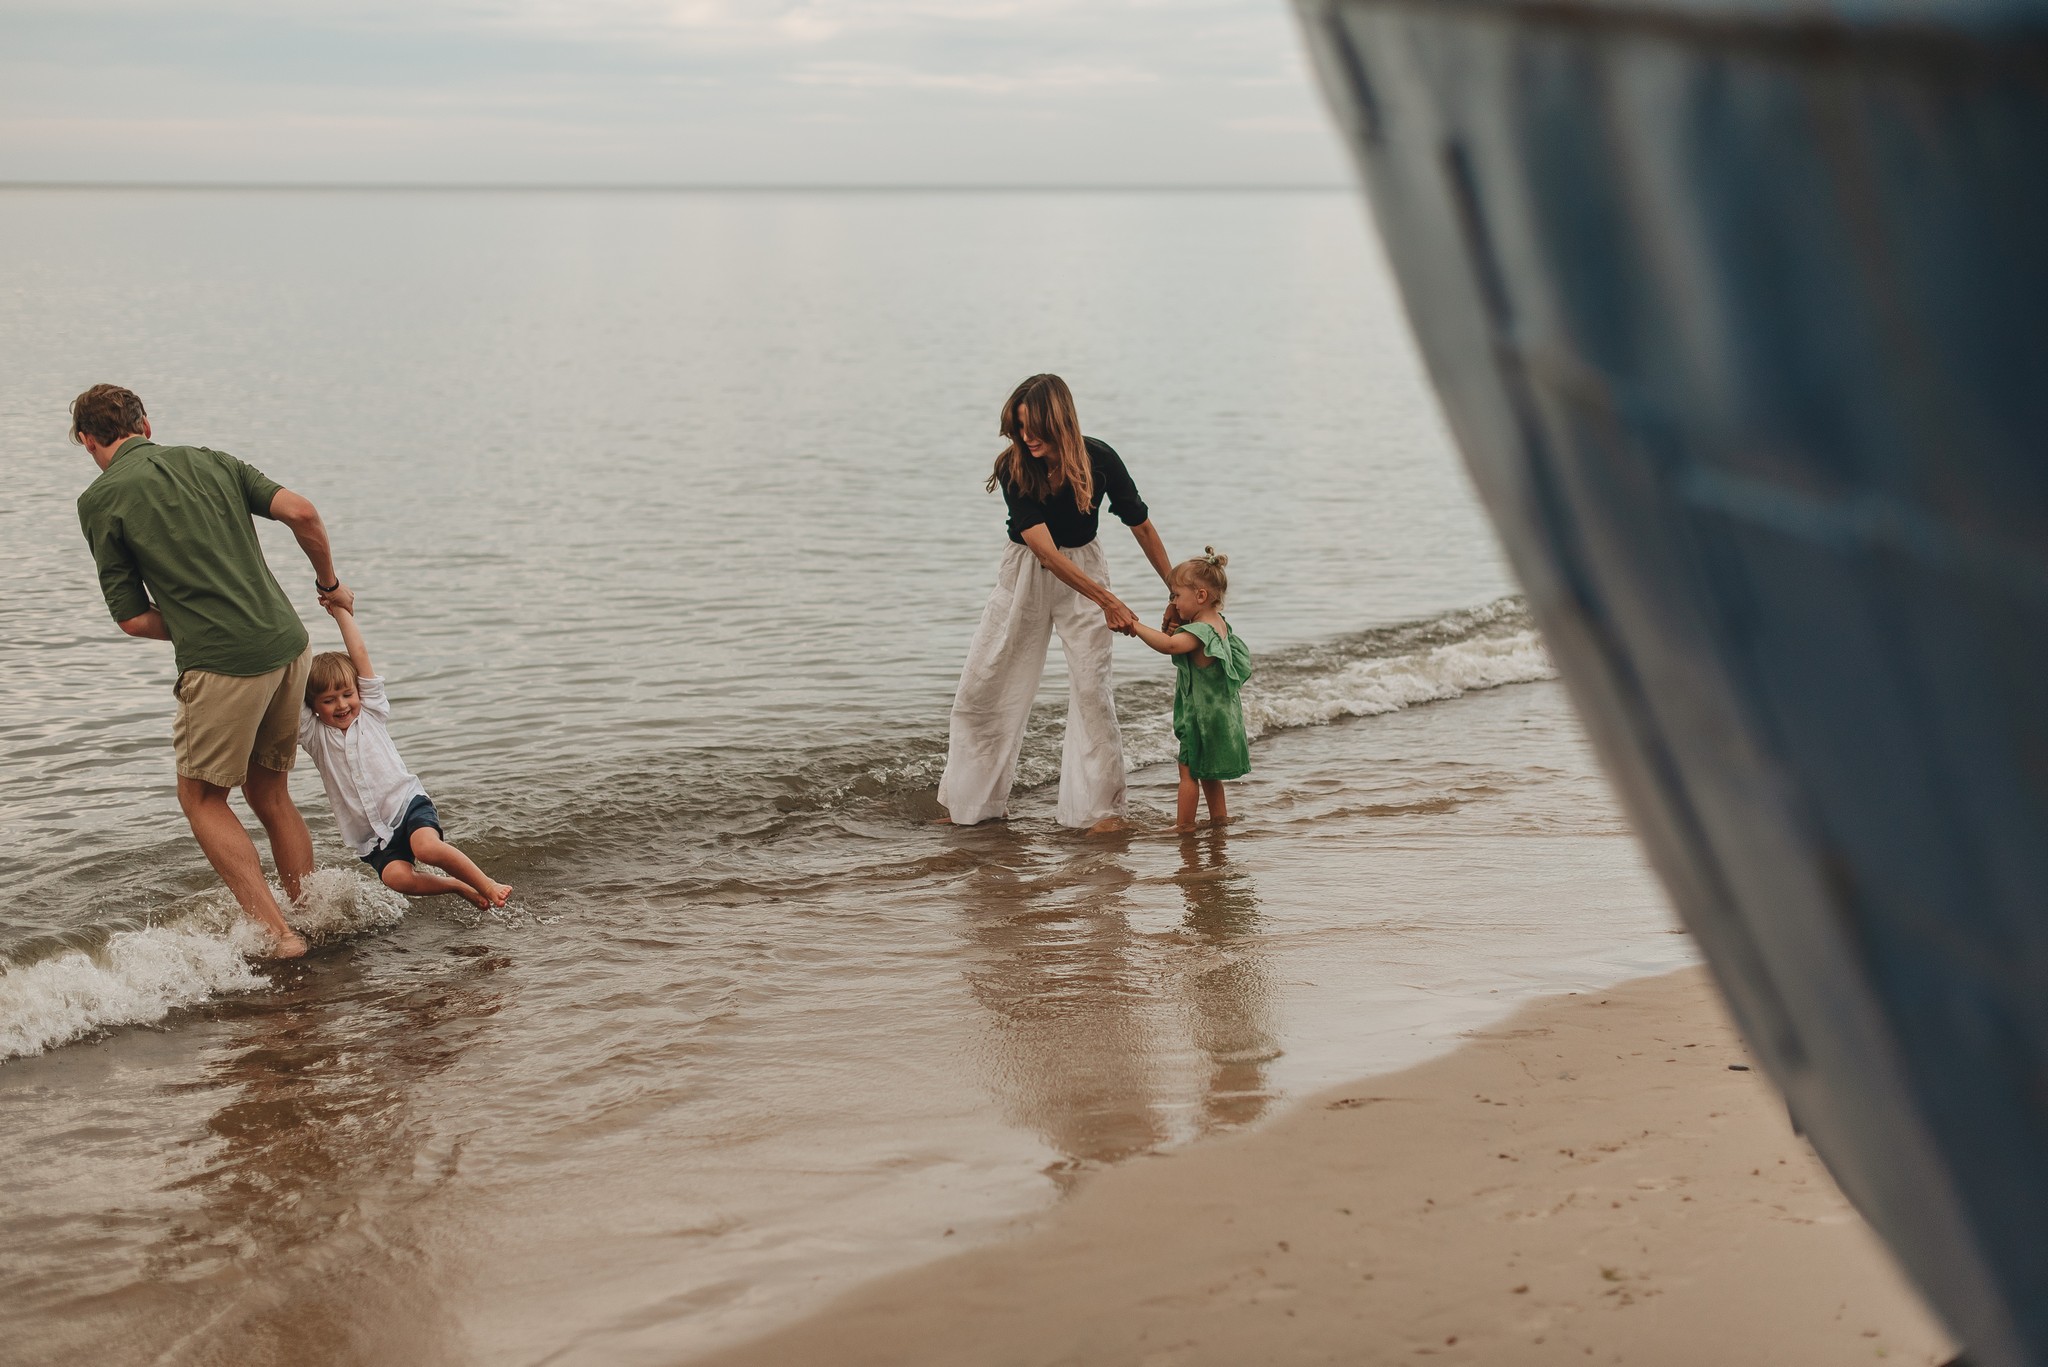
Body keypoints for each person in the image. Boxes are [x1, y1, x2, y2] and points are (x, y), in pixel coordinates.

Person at [72, 384, 351, 959]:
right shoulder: (212, 460)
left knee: (200, 798)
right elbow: (303, 512)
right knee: (269, 790)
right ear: (145, 425)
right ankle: (311, 913)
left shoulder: (100, 499)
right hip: (289, 645)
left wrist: (202, 626)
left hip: (224, 664)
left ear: (86, 440)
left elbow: (130, 618)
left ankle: (281, 937)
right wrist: (328, 583)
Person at [937, 374, 1174, 831]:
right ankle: (973, 808)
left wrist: (1174, 591)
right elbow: (1044, 552)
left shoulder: (1100, 459)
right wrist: (1109, 600)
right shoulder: (1014, 466)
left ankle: (1100, 813)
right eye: (1019, 427)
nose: (1026, 437)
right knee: (985, 685)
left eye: (1035, 426)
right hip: (1026, 572)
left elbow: (1140, 523)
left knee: (1092, 690)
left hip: (1085, 567)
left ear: (1060, 420)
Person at [301, 602, 512, 910]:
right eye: (329, 700)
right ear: (314, 706)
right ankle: (455, 886)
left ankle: (486, 883)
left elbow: (359, 653)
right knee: (397, 879)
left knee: (426, 849)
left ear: (359, 691)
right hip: (372, 835)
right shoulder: (314, 735)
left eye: (348, 694)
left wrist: (340, 610)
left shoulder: (371, 713)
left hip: (406, 804)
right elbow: (292, 695)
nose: (342, 705)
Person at [1129, 549, 1253, 831]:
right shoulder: (1218, 624)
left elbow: (1170, 645)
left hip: (1202, 717)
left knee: (1187, 773)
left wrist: (1135, 626)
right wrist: (1176, 619)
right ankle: (1219, 820)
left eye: (1175, 595)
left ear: (1200, 597)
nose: (1172, 602)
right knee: (1209, 774)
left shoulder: (1198, 633)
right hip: (1223, 711)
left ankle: (1183, 827)